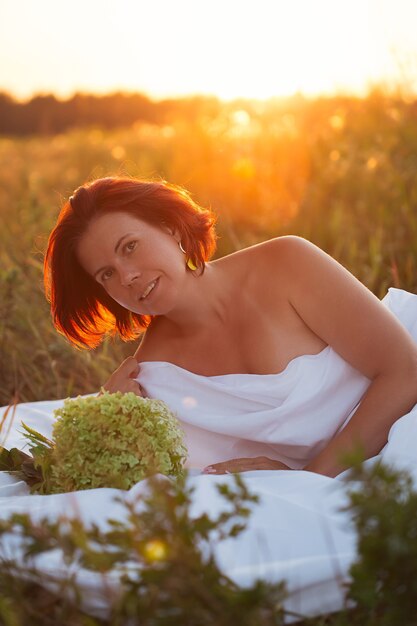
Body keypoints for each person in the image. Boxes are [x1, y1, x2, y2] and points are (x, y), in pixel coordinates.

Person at [43, 175, 417, 479]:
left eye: (130, 247)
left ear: (170, 227)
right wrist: (110, 419)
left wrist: (311, 478)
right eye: (106, 273)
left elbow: (404, 371)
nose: (128, 276)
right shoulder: (153, 377)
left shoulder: (286, 264)